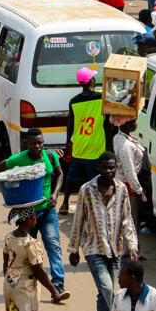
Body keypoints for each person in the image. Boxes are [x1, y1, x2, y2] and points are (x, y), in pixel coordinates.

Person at [69, 154, 139, 311]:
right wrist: (73, 249)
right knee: (108, 289)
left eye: (112, 168)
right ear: (98, 167)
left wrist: (132, 245)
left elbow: (127, 220)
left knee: (103, 294)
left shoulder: (122, 189)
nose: (109, 171)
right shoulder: (86, 190)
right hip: (93, 249)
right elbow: (79, 220)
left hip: (115, 250)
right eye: (105, 168)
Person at [0, 128, 68, 300]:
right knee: (24, 250)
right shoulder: (19, 159)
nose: (38, 146)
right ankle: (18, 284)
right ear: (26, 144)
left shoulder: (50, 156)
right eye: (33, 143)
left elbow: (59, 174)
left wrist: (55, 193)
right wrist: (12, 182)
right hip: (28, 215)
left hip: (48, 210)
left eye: (40, 143)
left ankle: (58, 284)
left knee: (52, 243)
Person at [4, 206, 66, 311]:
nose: (36, 218)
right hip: (26, 289)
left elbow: (5, 263)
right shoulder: (31, 244)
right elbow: (40, 272)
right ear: (28, 220)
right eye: (34, 216)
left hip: (10, 286)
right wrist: (54, 291)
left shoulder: (9, 237)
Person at [64, 67, 110, 214]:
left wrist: (67, 140)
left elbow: (70, 124)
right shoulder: (101, 98)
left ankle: (64, 203)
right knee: (96, 179)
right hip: (96, 146)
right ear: (92, 80)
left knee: (71, 177)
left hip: (79, 145)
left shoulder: (73, 101)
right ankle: (95, 206)